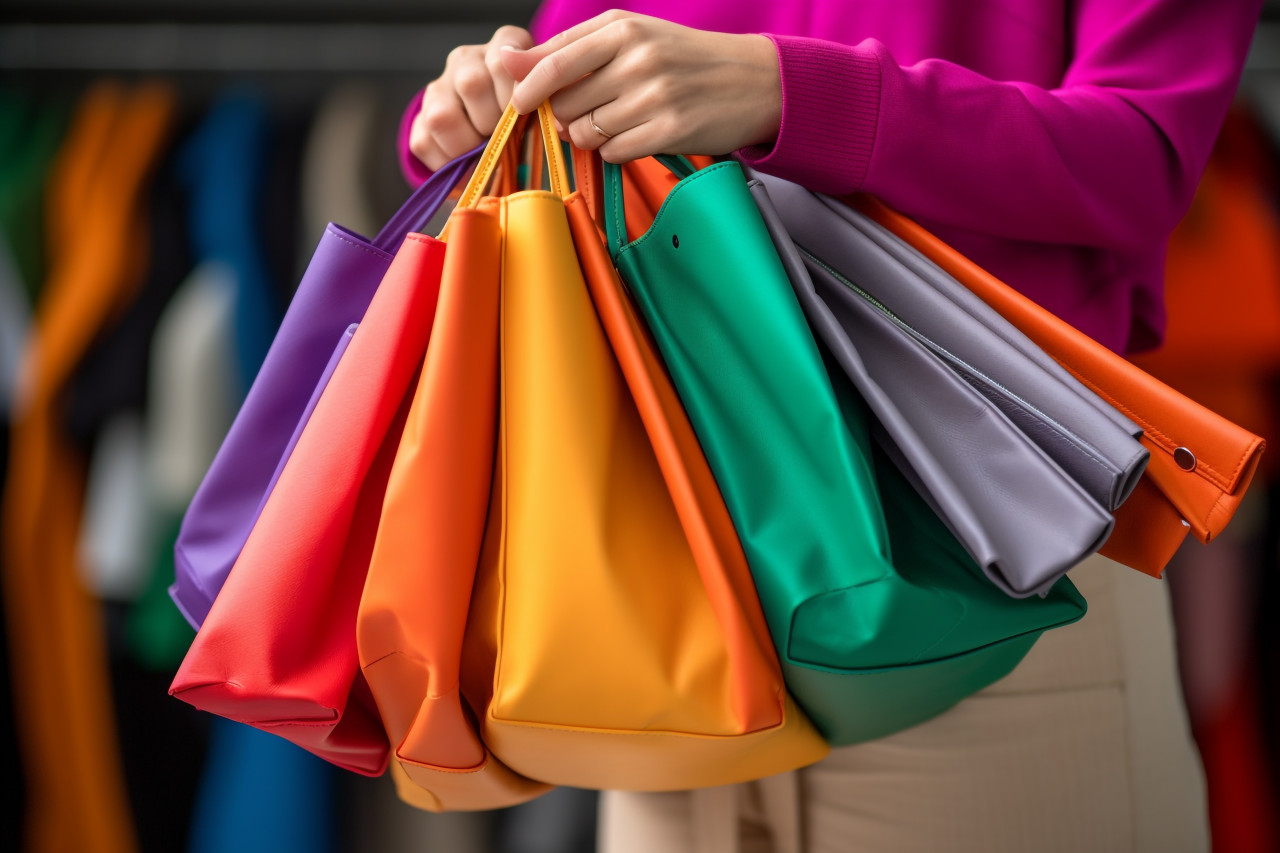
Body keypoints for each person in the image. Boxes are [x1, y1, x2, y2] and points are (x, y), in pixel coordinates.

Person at [397, 2, 1264, 850]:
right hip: (669, 547)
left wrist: (793, 95)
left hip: (980, 546)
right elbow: (576, 66)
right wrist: (474, 106)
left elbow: (1142, 156)